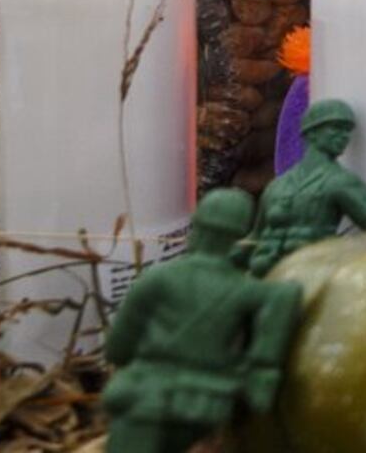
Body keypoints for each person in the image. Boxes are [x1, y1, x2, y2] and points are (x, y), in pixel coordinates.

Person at [100, 189, 300, 453]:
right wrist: (263, 366)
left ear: (197, 227)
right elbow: (286, 294)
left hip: (145, 397)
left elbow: (117, 347)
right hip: (206, 405)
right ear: (239, 238)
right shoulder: (244, 288)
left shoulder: (158, 278)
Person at [251, 99, 366, 272]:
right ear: (311, 133)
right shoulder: (277, 186)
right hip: (267, 273)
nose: (344, 136)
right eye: (336, 127)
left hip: (314, 275)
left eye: (347, 130)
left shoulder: (341, 181)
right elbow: (255, 237)